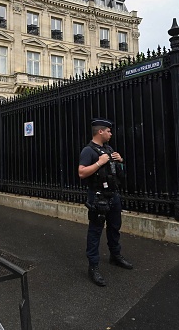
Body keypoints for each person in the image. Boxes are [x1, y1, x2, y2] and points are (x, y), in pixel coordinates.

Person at [78, 118, 133, 287]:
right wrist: (99, 162)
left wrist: (120, 161)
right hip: (98, 196)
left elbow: (118, 173)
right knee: (95, 231)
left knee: (115, 227)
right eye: (108, 131)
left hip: (113, 195)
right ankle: (93, 266)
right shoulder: (88, 151)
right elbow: (81, 173)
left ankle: (115, 256)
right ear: (100, 131)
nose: (111, 134)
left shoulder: (109, 149)